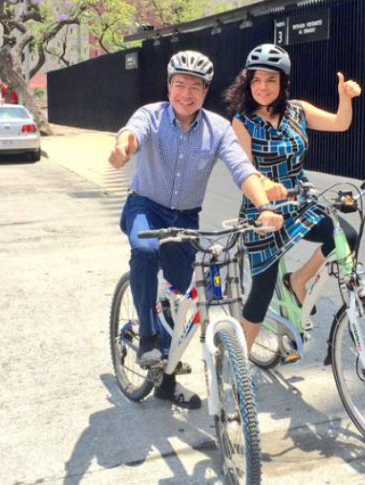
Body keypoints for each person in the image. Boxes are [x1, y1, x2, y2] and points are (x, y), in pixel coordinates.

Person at [108, 50, 285, 409]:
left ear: (205, 92)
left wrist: (265, 206)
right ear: (169, 86)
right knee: (144, 250)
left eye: (195, 87)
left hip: (186, 218)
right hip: (145, 206)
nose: (186, 94)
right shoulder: (152, 116)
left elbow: (242, 168)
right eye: (179, 85)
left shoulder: (217, 128)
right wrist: (123, 146)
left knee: (182, 294)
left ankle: (166, 381)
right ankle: (146, 337)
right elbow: (132, 133)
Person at [223, 43, 362, 357]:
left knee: (346, 237)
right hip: (263, 209)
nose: (263, 87)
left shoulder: (298, 110)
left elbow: (341, 123)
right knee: (261, 289)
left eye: (271, 80)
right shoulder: (242, 121)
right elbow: (244, 169)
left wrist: (345, 98)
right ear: (248, 82)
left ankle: (298, 280)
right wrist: (265, 187)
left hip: (300, 202)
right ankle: (240, 363)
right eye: (256, 80)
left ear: (282, 82)